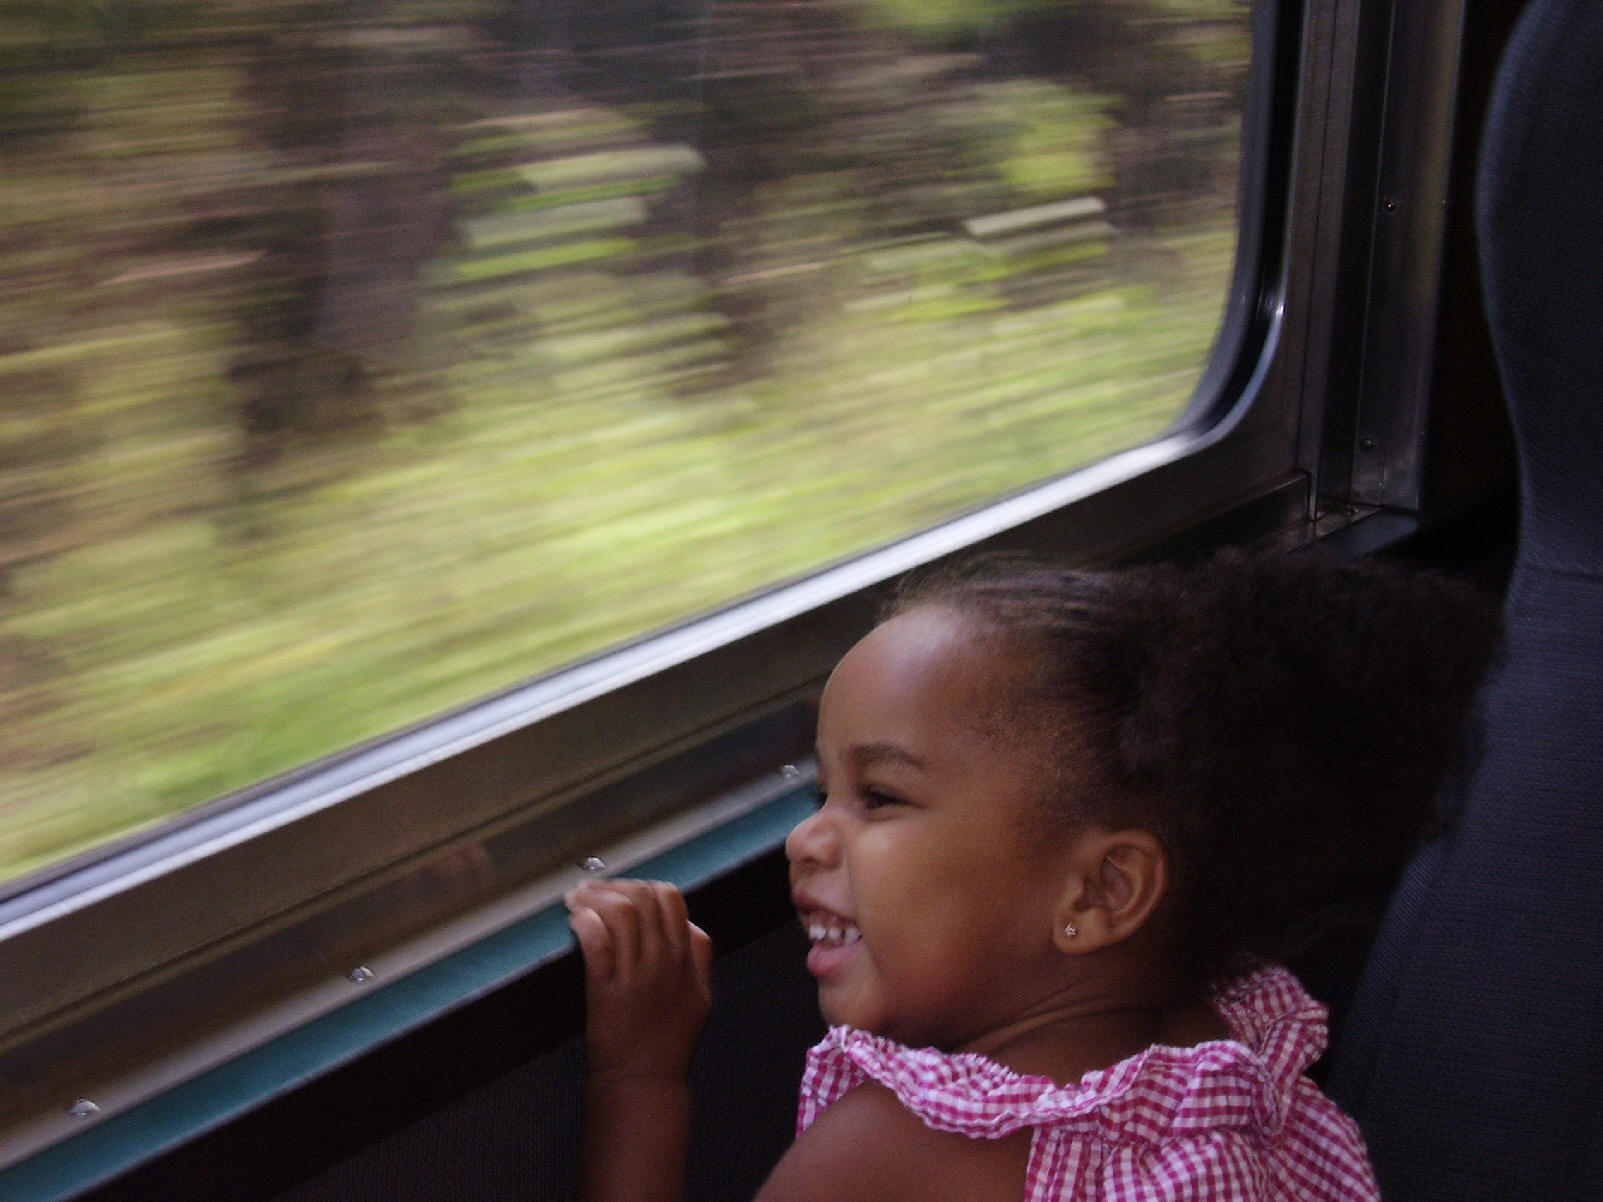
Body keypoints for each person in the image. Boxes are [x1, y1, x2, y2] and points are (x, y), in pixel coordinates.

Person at [565, 550, 1499, 1202]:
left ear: (1098, 894)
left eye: (878, 797)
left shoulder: (900, 1156)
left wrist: (639, 1076)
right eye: (822, 793)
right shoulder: (1232, 1055)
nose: (807, 839)